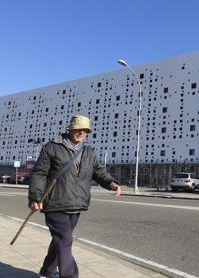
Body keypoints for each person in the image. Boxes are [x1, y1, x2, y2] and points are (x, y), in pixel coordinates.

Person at [28, 115, 121, 278]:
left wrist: (111, 183)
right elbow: (39, 173)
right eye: (78, 128)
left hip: (76, 203)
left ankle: (47, 271)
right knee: (65, 240)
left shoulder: (88, 151)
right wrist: (35, 197)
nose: (81, 132)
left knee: (60, 240)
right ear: (70, 129)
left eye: (85, 130)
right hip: (55, 203)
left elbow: (99, 172)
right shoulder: (52, 147)